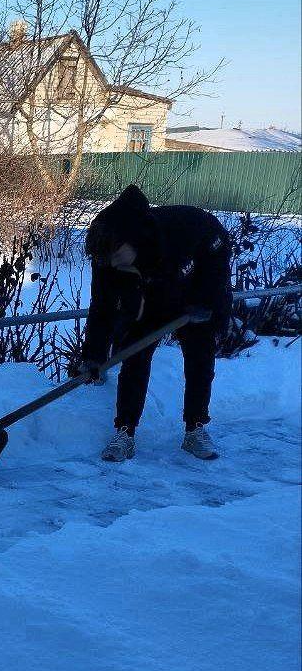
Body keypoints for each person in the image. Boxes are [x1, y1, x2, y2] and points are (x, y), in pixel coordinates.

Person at [80, 185, 232, 463]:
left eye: (117, 255)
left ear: (132, 240)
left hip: (192, 294)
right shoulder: (106, 255)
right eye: (106, 260)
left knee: (200, 356)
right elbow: (102, 307)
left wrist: (206, 300)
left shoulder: (183, 230)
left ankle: (195, 428)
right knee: (134, 356)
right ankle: (125, 432)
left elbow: (218, 250)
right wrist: (93, 355)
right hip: (149, 298)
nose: (112, 264)